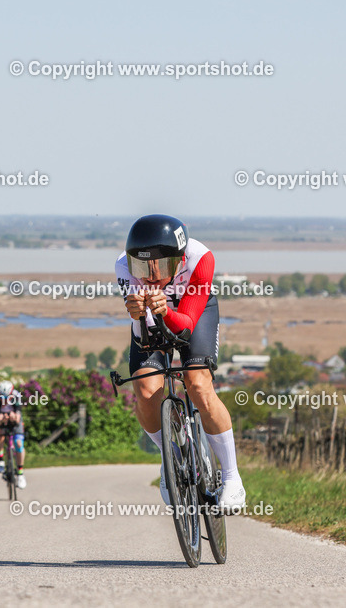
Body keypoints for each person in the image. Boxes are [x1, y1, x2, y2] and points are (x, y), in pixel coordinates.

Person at [115, 214, 246, 513]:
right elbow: (145, 336)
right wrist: (137, 313)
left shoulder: (201, 259)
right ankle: (170, 460)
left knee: (198, 384)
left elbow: (185, 327)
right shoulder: (123, 265)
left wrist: (165, 310)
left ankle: (232, 478)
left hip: (192, 312)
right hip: (153, 315)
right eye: (142, 266)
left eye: (161, 266)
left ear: (180, 258)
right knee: (147, 391)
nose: (150, 275)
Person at [0, 380, 27, 489]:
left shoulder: (16, 396)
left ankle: (20, 473)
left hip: (14, 418)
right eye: (3, 397)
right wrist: (1, 419)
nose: (5, 400)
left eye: (7, 397)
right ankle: (0, 459)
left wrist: (14, 418)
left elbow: (18, 414)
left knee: (19, 444)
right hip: (1, 417)